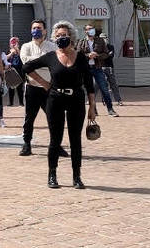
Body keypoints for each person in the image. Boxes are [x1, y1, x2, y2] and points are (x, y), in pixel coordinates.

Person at [23, 20, 96, 189]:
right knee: (55, 139)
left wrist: (92, 107)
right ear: (54, 38)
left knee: (75, 139)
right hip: (55, 98)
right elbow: (27, 67)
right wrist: (44, 83)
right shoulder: (51, 56)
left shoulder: (81, 58)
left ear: (71, 37)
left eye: (64, 35)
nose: (61, 38)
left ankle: (77, 176)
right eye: (58, 36)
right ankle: (52, 175)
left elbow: (89, 83)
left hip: (76, 99)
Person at [19, 20, 68, 158]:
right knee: (29, 119)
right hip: (32, 88)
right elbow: (26, 63)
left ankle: (57, 146)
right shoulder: (26, 46)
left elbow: (56, 64)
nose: (36, 30)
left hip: (49, 89)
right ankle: (27, 144)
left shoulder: (53, 47)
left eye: (39, 28)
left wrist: (38, 63)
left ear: (45, 31)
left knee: (55, 118)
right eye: (34, 28)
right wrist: (45, 61)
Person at [76, 24, 118, 117]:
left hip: (97, 68)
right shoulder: (81, 42)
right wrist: (88, 55)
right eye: (89, 29)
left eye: (92, 29)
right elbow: (77, 55)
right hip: (86, 69)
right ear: (85, 31)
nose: (91, 31)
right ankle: (93, 109)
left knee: (104, 89)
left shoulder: (100, 40)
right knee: (90, 90)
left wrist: (97, 55)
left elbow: (106, 53)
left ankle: (110, 109)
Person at [99, 33, 123, 106]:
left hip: (110, 68)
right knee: (103, 85)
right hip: (100, 68)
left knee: (114, 84)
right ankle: (104, 100)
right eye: (102, 38)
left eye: (105, 38)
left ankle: (118, 100)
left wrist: (104, 55)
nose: (104, 39)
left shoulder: (110, 46)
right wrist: (107, 55)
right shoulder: (98, 47)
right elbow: (99, 57)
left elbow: (111, 56)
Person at [6, 37, 24, 107]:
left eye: (15, 42)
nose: (13, 44)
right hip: (11, 71)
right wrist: (11, 53)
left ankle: (21, 103)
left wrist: (17, 50)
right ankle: (11, 102)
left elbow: (23, 58)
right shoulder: (8, 51)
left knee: (20, 88)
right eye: (12, 42)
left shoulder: (21, 51)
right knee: (11, 88)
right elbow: (5, 58)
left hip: (19, 71)